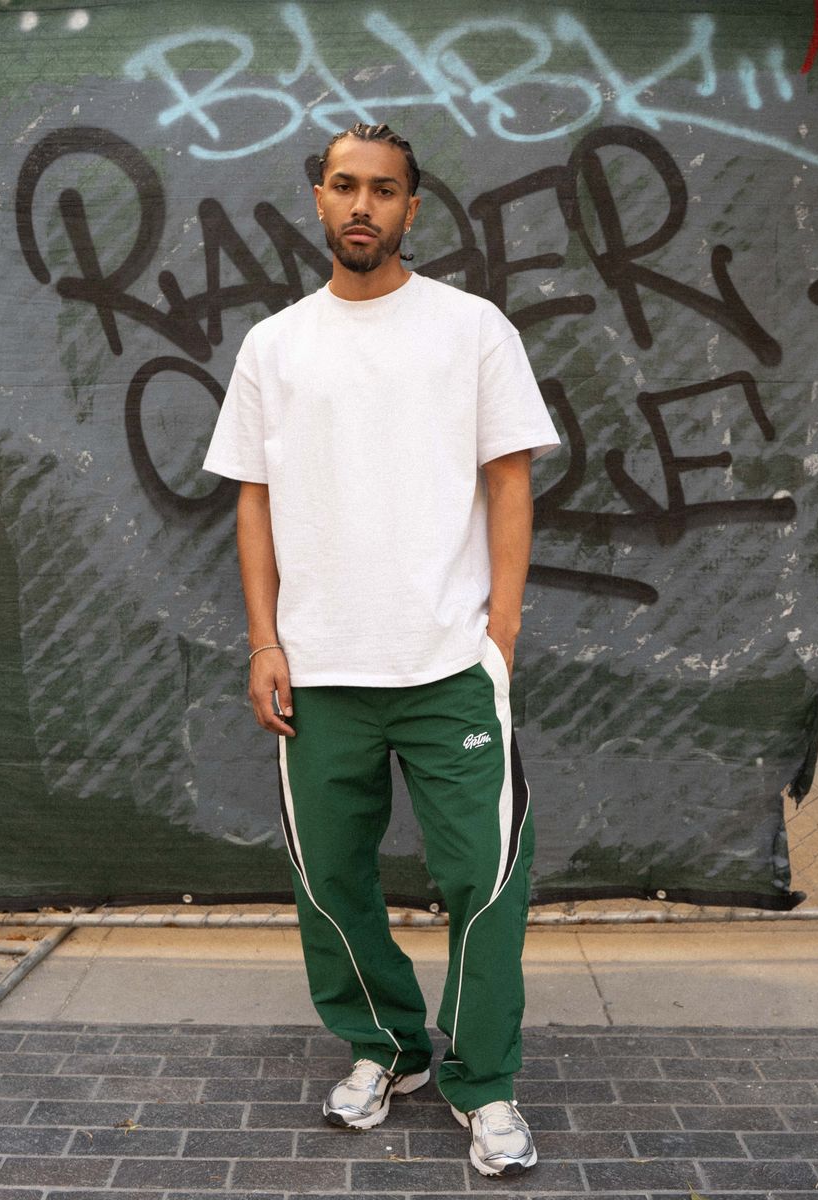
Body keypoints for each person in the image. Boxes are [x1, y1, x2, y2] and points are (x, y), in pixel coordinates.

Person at [203, 121, 559, 1178]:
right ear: (318, 197)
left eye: (385, 189)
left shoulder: (471, 327)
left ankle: (484, 1082)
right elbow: (253, 503)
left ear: (413, 206)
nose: (363, 204)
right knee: (330, 882)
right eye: (345, 184)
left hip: (447, 664)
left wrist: (500, 634)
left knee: (485, 878)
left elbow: (509, 479)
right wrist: (264, 641)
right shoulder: (274, 345)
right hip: (319, 670)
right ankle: (387, 1046)